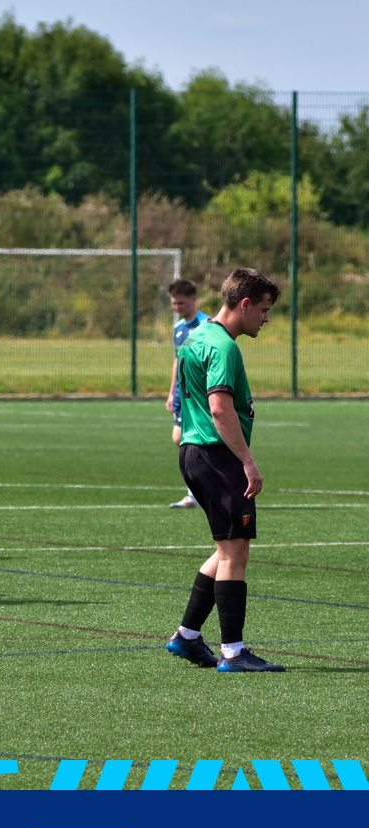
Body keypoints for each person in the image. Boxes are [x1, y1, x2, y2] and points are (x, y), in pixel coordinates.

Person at [165, 267, 285, 673]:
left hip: (194, 453)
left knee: (224, 549)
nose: (266, 319)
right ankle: (233, 652)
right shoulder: (224, 347)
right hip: (217, 456)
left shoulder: (196, 338)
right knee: (236, 551)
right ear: (245, 304)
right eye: (264, 310)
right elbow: (219, 407)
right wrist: (247, 461)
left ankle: (187, 637)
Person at [166, 279, 209, 508]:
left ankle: (197, 493)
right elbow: (177, 360)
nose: (177, 308)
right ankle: (196, 491)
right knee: (182, 440)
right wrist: (172, 391)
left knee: (186, 439)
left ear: (193, 299)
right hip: (182, 392)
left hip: (198, 392)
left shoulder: (206, 325)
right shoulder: (178, 328)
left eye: (181, 303)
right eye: (174, 304)